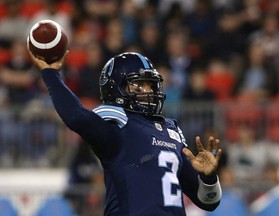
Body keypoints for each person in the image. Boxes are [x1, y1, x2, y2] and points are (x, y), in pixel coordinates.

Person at [28, 50, 222, 215]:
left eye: (150, 84)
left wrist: (209, 178)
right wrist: (50, 74)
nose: (148, 90)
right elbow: (76, 117)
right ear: (115, 89)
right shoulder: (118, 127)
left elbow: (208, 202)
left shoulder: (169, 130)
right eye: (139, 84)